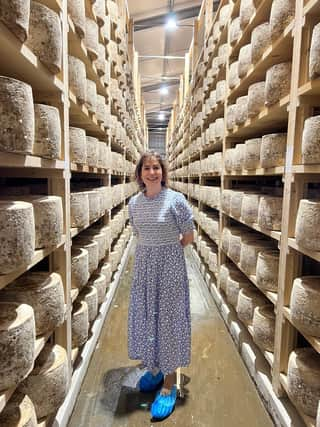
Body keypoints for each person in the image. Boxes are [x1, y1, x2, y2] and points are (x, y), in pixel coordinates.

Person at [127, 151, 194, 420]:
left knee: (168, 322)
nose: (152, 172)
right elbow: (137, 233)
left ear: (163, 172)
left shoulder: (176, 200)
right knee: (147, 319)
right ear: (140, 173)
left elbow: (188, 236)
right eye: (147, 168)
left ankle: (168, 385)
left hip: (170, 269)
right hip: (144, 267)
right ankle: (154, 369)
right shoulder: (134, 203)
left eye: (156, 168)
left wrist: (167, 252)